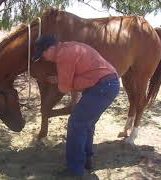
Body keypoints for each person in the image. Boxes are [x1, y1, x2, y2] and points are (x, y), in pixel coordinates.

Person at [32, 35, 120, 177]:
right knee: (87, 123)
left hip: (102, 87)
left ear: (51, 48)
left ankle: (74, 171)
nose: (44, 57)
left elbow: (65, 88)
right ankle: (86, 160)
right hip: (108, 84)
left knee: (76, 123)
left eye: (43, 53)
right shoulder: (69, 46)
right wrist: (62, 79)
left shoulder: (63, 56)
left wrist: (61, 81)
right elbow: (80, 75)